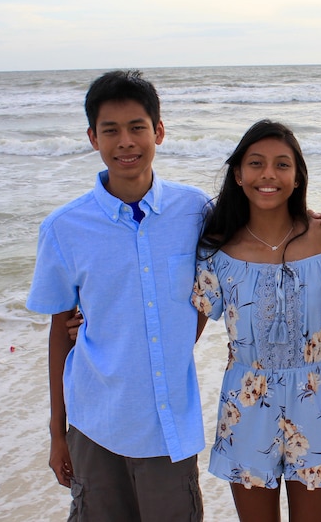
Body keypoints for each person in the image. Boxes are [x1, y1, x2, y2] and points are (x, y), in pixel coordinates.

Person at [27, 70, 208, 520]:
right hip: (95, 423)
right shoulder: (64, 229)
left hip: (169, 425)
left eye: (137, 128)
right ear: (93, 138)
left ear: (159, 132)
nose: (125, 141)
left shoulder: (197, 211)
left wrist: (316, 224)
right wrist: (57, 433)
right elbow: (58, 334)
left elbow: (254, 242)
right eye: (111, 130)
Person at [190, 119, 321, 522]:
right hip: (245, 406)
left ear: (299, 176)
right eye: (256, 163)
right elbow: (184, 334)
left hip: (315, 402)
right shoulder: (218, 252)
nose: (268, 174)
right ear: (238, 174)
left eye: (282, 164)